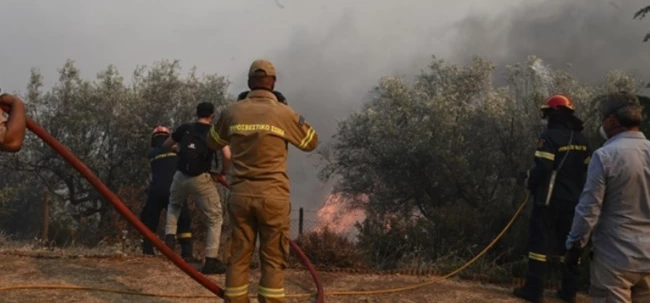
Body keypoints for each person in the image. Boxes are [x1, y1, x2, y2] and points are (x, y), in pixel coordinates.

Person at [207, 59, 318, 303]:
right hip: (273, 196)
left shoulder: (232, 111)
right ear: (273, 83)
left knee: (238, 255)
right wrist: (288, 112)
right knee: (273, 257)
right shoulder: (284, 112)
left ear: (248, 83)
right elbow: (311, 142)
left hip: (241, 196)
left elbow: (212, 141)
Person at [566, 92, 650, 303]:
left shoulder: (605, 156)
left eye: (604, 118)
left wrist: (575, 244)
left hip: (615, 259)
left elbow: (589, 208)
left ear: (612, 119)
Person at [514, 94, 591, 303]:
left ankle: (533, 290)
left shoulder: (548, 138)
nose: (546, 119)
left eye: (547, 115)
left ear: (555, 114)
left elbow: (543, 169)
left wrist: (527, 181)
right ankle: (568, 292)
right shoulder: (582, 140)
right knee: (571, 246)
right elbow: (588, 171)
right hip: (575, 202)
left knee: (539, 244)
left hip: (547, 201)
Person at [163, 102, 231, 274]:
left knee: (174, 205)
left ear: (197, 113)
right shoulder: (214, 132)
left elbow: (166, 145)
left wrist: (176, 149)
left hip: (180, 176)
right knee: (215, 218)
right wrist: (223, 172)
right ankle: (210, 260)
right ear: (212, 116)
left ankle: (169, 240)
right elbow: (227, 155)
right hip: (201, 178)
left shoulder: (185, 127)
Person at [139, 126, 195, 261]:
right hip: (175, 189)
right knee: (182, 220)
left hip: (156, 191)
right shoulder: (176, 150)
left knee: (150, 220)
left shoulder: (152, 153)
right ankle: (186, 253)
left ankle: (147, 250)